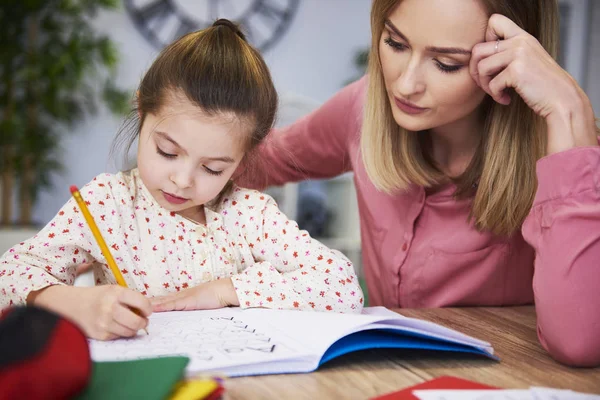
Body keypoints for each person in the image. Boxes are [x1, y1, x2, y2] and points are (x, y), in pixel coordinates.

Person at [238, 0, 600, 367]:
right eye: (395, 43)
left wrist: (569, 109)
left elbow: (580, 343)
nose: (406, 84)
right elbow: (251, 162)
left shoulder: (568, 161)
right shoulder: (362, 108)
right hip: (376, 375)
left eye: (447, 64)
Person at [0, 19, 363, 341]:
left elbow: (343, 286)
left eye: (213, 169)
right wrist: (73, 302)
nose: (182, 180)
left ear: (241, 160)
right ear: (142, 111)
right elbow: (11, 273)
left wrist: (225, 290)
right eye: (168, 152)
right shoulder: (106, 204)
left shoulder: (249, 214)